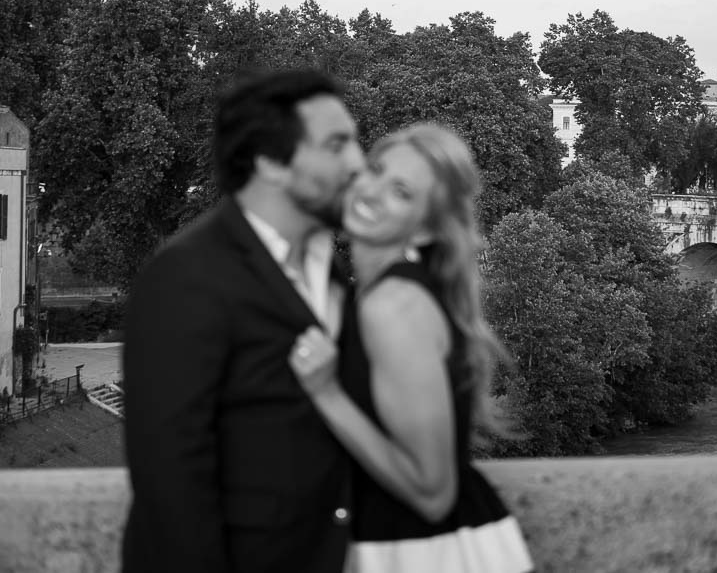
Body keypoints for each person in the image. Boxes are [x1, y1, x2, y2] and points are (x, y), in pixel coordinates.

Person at [122, 69, 365, 573]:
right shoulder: (185, 275)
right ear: (271, 162)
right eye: (337, 145)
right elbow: (171, 478)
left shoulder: (328, 268)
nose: (358, 163)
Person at [289, 122, 533, 573]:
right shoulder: (385, 294)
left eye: (401, 191)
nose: (372, 191)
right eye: (376, 170)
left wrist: (326, 394)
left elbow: (432, 492)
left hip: (421, 553)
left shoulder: (395, 306)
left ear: (424, 231)